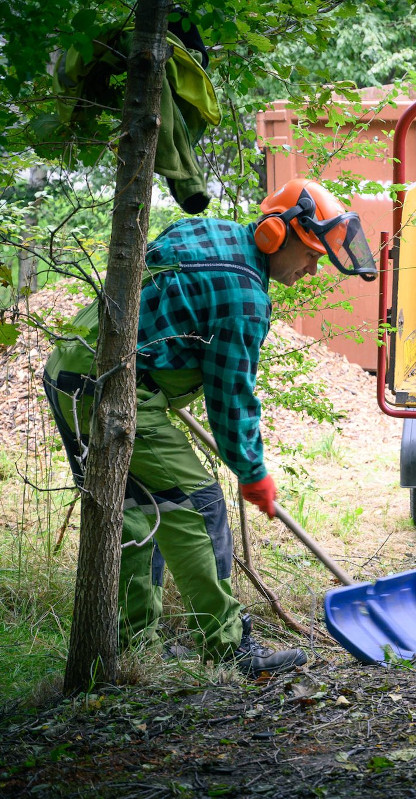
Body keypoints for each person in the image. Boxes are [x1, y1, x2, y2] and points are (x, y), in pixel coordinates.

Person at [43, 178, 377, 676]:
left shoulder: (212, 232)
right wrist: (252, 471)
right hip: (110, 388)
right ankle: (230, 650)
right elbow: (230, 397)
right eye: (309, 255)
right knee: (197, 504)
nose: (312, 270)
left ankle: (131, 645)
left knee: (136, 513)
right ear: (272, 235)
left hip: (70, 367)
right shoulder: (243, 296)